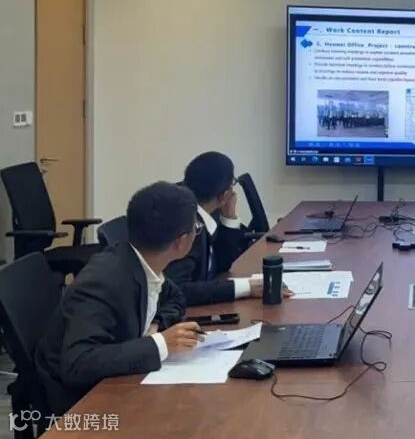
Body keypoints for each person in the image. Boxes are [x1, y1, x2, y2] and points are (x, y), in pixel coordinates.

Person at [33, 182, 204, 416]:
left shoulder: (142, 262)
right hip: (79, 405)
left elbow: (175, 297)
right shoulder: (104, 281)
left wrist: (156, 324)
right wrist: (160, 344)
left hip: (117, 382)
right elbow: (78, 364)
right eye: (196, 228)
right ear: (181, 242)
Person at [165, 151, 275, 305]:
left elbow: (221, 264)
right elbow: (178, 289)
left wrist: (229, 218)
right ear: (223, 196)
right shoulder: (188, 227)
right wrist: (246, 287)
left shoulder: (194, 212)